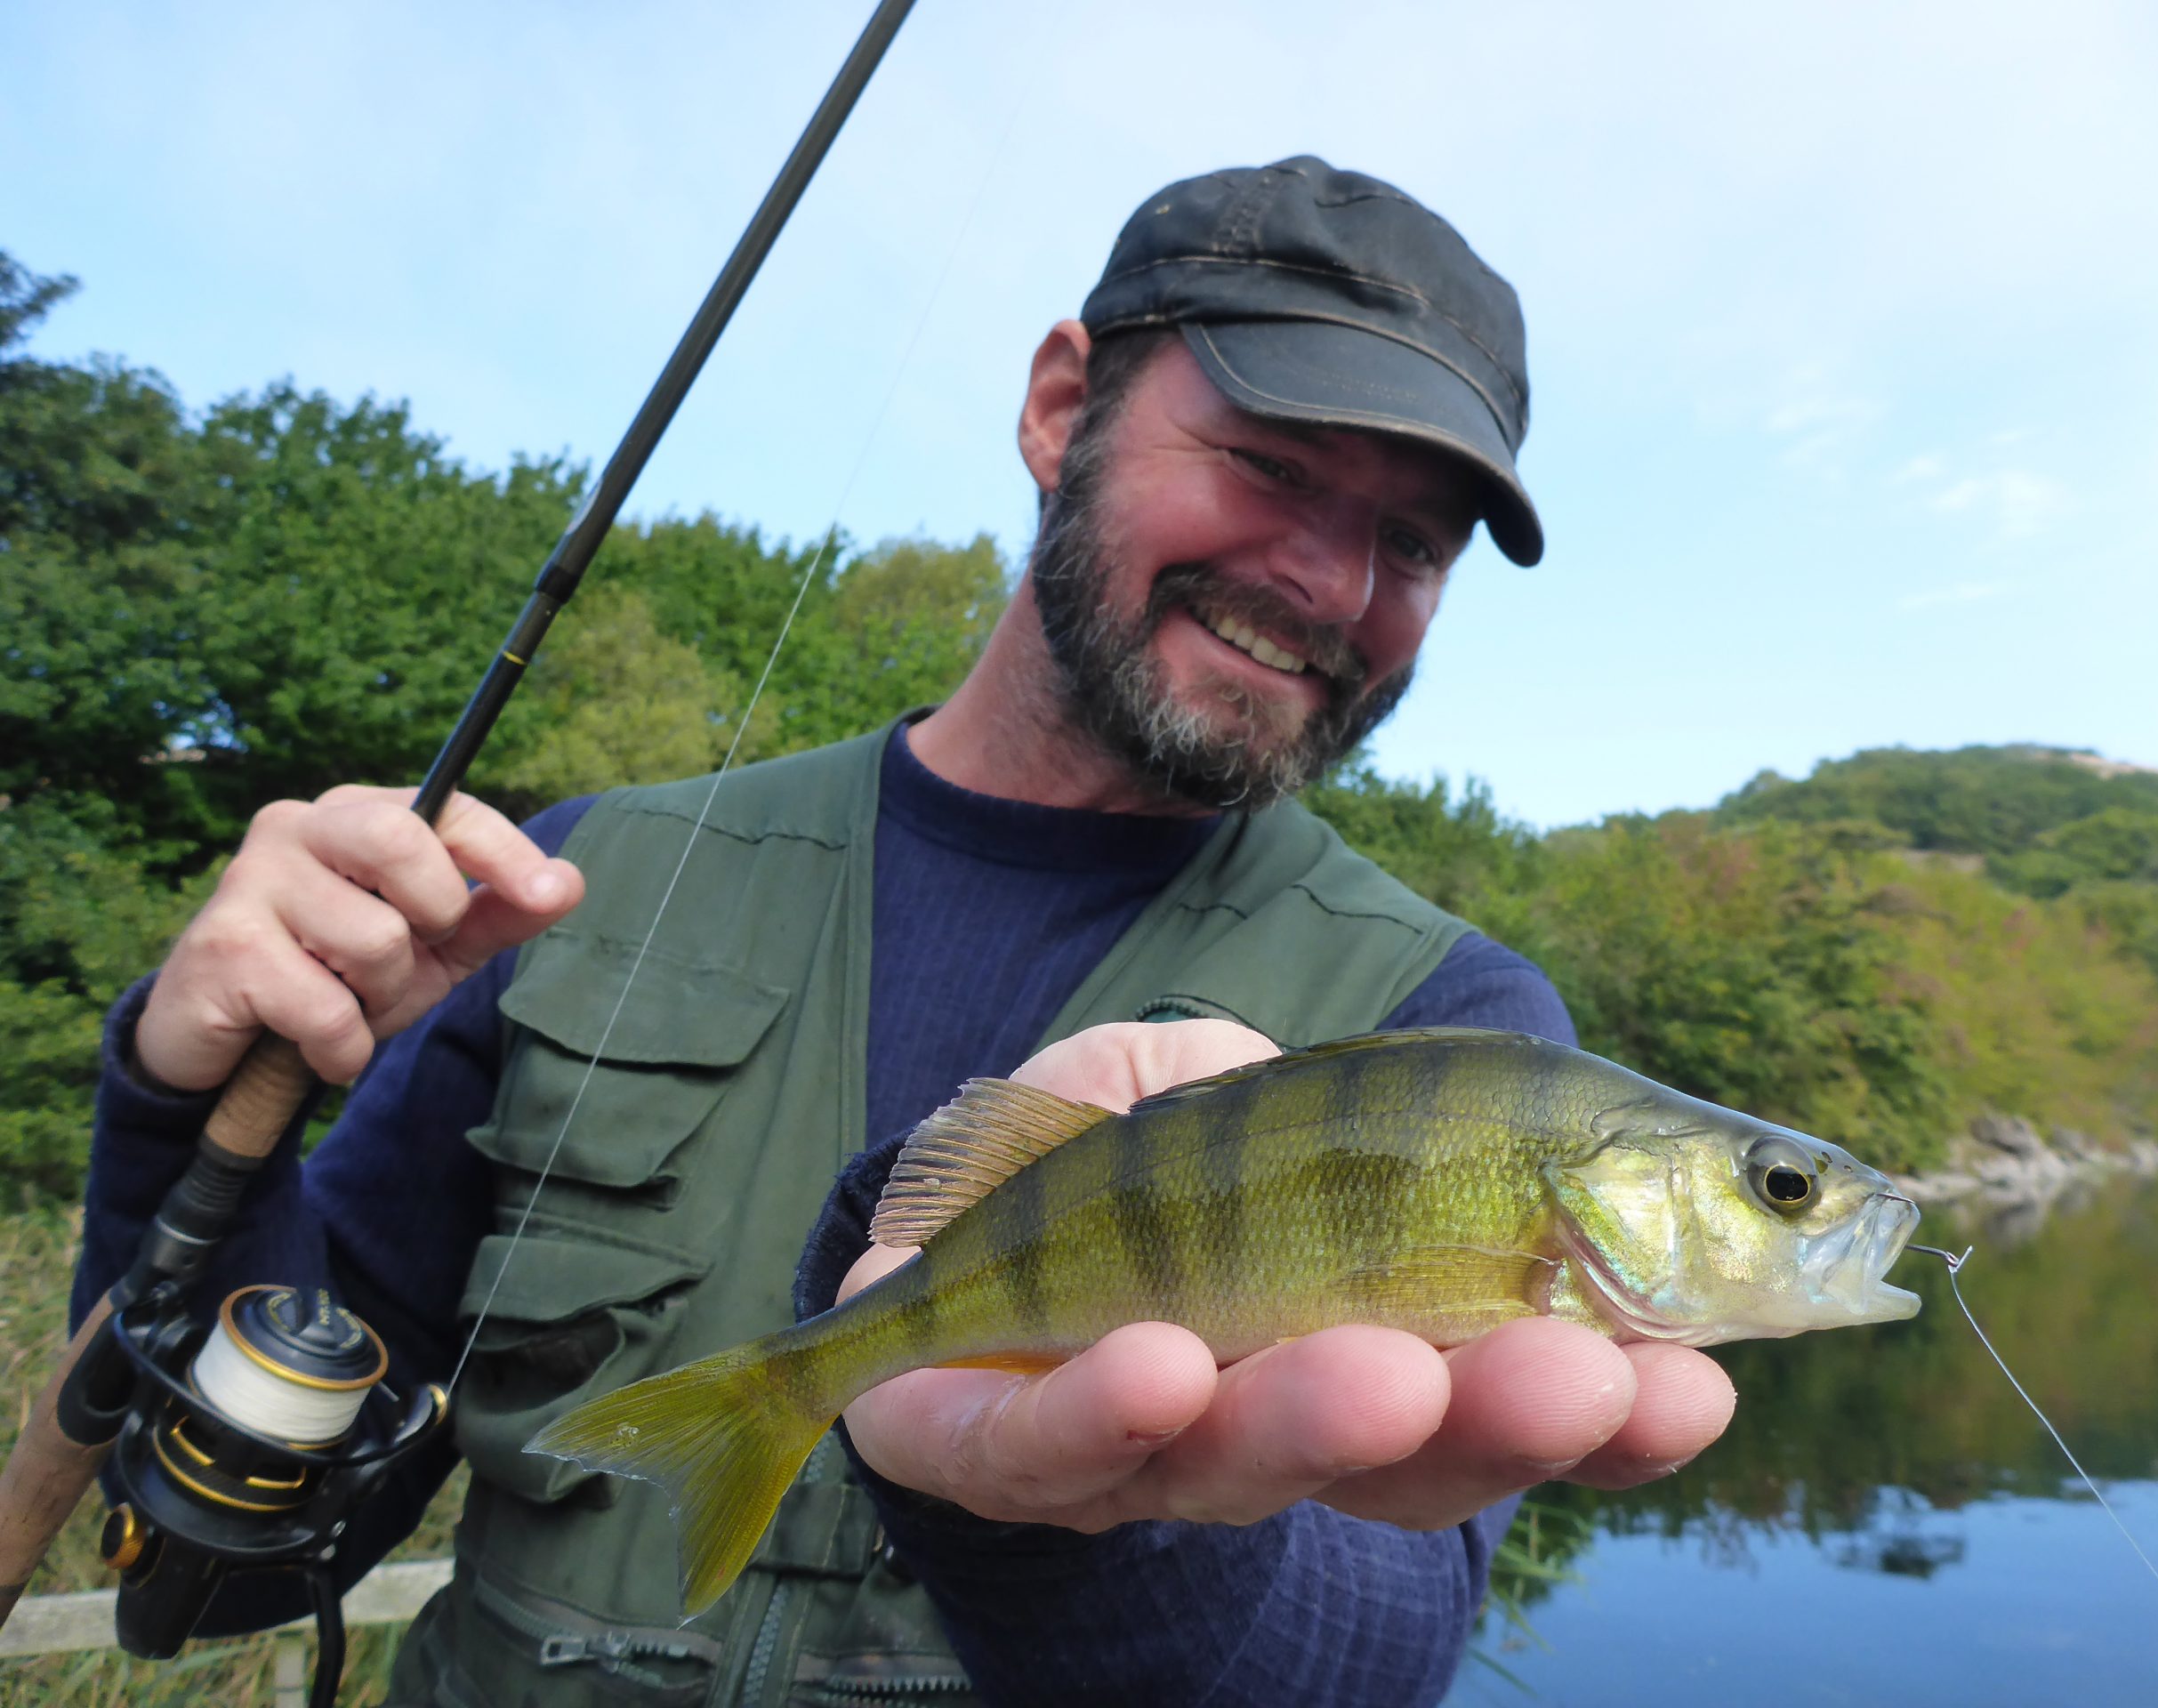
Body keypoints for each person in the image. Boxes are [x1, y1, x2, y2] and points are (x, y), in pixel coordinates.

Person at [76, 157, 1736, 1706]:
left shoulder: (1456, 1019)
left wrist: (1041, 1504)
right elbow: (223, 1572)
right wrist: (178, 1104)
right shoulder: (587, 885)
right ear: (1061, 405)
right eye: (1273, 465)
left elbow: (1364, 1667)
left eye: (1413, 543)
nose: (1328, 577)